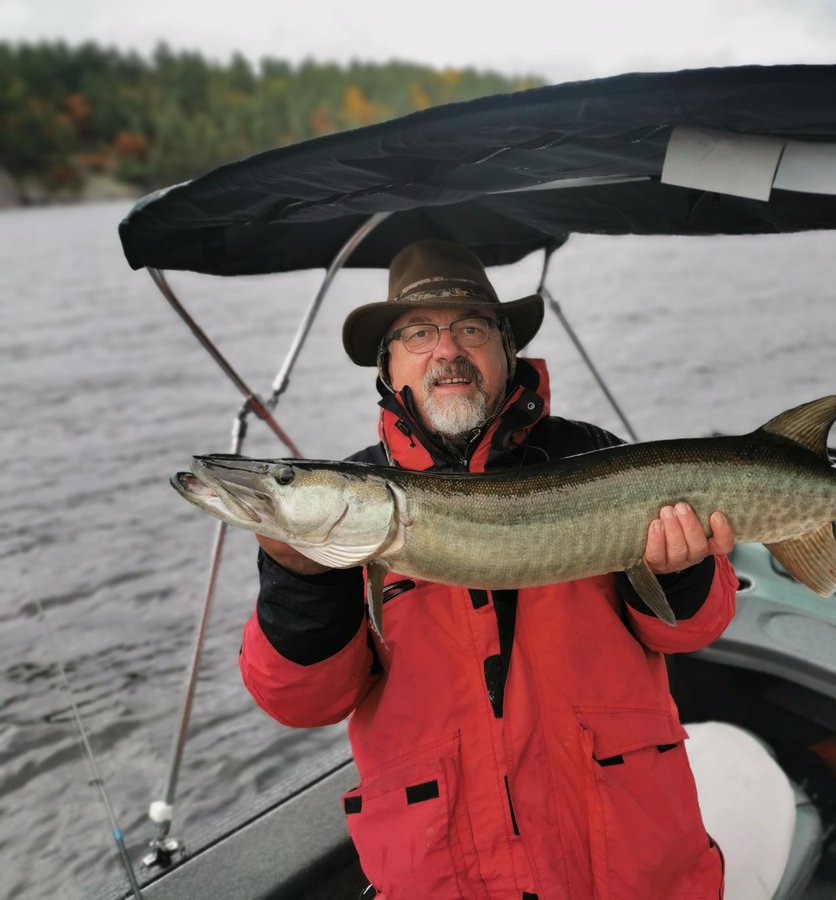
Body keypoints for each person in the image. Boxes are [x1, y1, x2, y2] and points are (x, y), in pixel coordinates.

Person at [239, 239, 739, 899]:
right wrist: (303, 584)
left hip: (628, 860)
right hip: (450, 870)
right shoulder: (350, 509)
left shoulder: (595, 456)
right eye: (418, 333)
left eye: (471, 329)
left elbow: (693, 630)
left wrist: (681, 574)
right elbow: (305, 702)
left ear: (507, 352)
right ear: (388, 367)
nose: (447, 350)